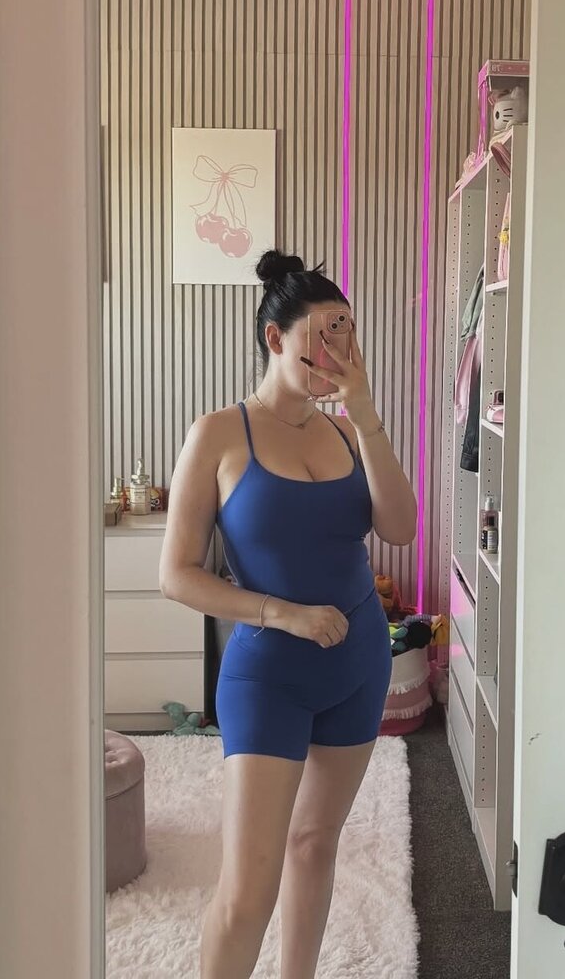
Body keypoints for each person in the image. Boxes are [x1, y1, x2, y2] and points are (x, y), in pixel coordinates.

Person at [159, 248, 417, 979]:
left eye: (348, 329)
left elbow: (400, 529)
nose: (340, 348)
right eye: (325, 330)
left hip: (358, 664)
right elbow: (177, 576)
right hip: (268, 672)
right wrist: (282, 613)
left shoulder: (348, 433)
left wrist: (366, 415)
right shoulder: (218, 434)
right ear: (276, 337)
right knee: (247, 893)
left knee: (315, 845)